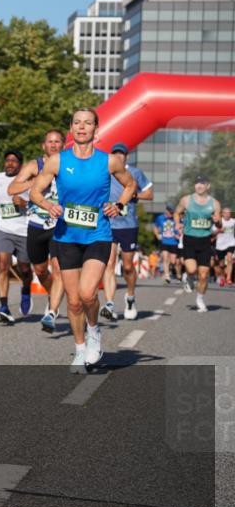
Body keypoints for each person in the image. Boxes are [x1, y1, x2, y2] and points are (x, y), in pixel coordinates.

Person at [30, 107, 136, 374]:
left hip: (98, 235)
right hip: (66, 237)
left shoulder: (109, 161)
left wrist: (119, 205)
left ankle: (94, 331)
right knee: (74, 301)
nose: (81, 127)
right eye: (77, 123)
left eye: (87, 123)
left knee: (89, 293)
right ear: (71, 129)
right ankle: (80, 350)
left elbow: (130, 185)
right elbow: (34, 191)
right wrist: (48, 205)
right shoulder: (57, 161)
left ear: (95, 130)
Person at [6, 129, 66, 333]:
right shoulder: (35, 165)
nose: (53, 145)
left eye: (57, 141)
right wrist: (39, 180)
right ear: (44, 145)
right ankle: (53, 295)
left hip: (60, 224)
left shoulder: (69, 163)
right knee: (40, 271)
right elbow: (12, 189)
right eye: (50, 141)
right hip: (36, 225)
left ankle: (52, 311)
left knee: (58, 270)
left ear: (63, 145)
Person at [100, 143, 153, 321]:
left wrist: (134, 195)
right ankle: (109, 304)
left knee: (128, 266)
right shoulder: (105, 170)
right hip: (108, 223)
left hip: (129, 224)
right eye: (115, 153)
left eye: (121, 154)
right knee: (109, 265)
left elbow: (149, 194)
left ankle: (130, 298)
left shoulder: (135, 172)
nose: (118, 156)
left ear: (126, 157)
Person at [0, 150, 32, 323]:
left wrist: (24, 203)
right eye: (7, 160)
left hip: (24, 231)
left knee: (24, 269)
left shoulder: (29, 182)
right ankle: (4, 306)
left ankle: (26, 288)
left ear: (20, 165)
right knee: (2, 265)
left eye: (14, 161)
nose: (9, 163)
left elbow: (39, 204)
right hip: (3, 229)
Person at [174, 175, 222, 312]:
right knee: (191, 270)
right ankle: (187, 276)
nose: (199, 186)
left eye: (202, 183)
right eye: (197, 183)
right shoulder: (186, 200)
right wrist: (177, 223)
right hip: (189, 239)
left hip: (205, 241)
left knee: (203, 275)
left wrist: (217, 221)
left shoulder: (214, 203)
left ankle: (200, 299)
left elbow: (219, 224)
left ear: (208, 186)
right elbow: (177, 213)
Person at [153, 204, 181, 284]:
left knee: (173, 261)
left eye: (172, 212)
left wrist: (178, 234)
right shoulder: (160, 218)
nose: (171, 214)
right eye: (170, 212)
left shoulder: (176, 218)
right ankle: (167, 276)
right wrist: (157, 235)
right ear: (167, 211)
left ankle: (178, 275)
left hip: (174, 242)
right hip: (164, 241)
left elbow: (181, 226)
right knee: (165, 258)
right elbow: (155, 227)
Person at [215, 207, 234, 287]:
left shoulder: (233, 221)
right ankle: (222, 277)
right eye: (225, 213)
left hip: (231, 243)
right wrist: (219, 230)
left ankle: (229, 278)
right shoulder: (219, 222)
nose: (227, 214)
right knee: (221, 264)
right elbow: (212, 233)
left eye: (229, 213)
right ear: (222, 214)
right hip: (220, 245)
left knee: (230, 259)